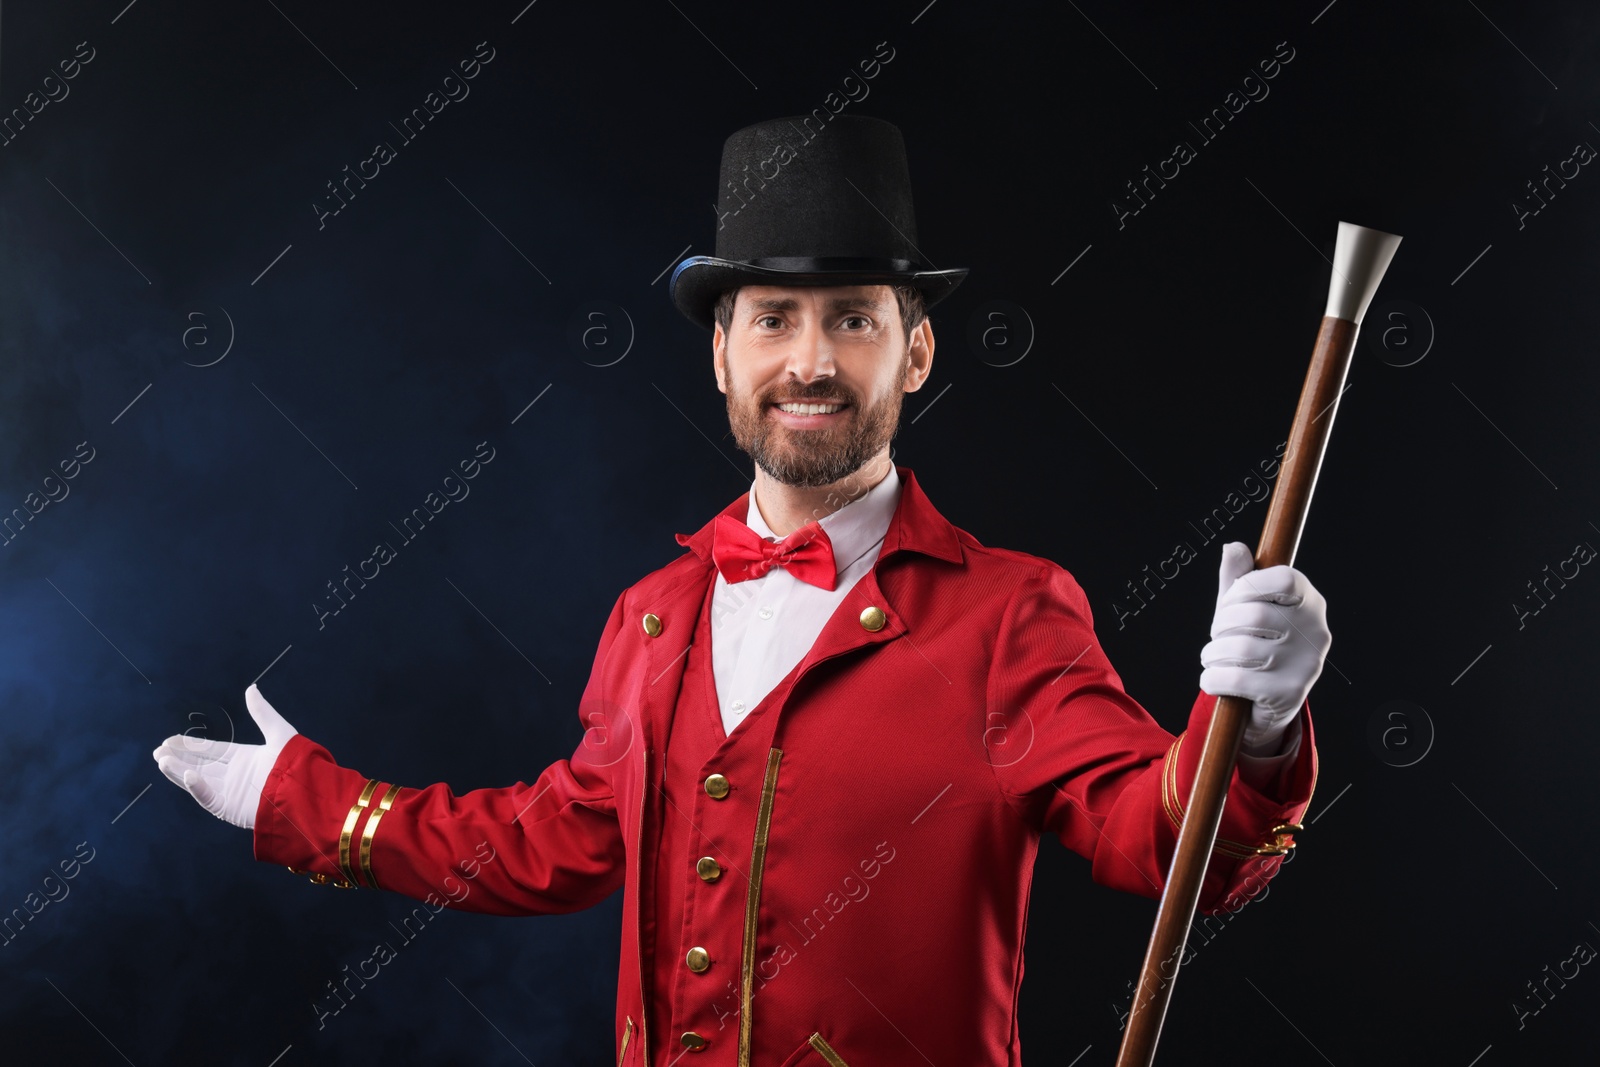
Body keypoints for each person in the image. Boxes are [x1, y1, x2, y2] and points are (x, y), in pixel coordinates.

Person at [153, 115, 1327, 1066]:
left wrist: (1261, 725)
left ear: (913, 353)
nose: (810, 361)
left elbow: (1168, 847)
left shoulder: (1011, 614)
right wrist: (297, 800)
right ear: (722, 353)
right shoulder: (651, 614)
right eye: (772, 319)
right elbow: (546, 843)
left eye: (853, 320)